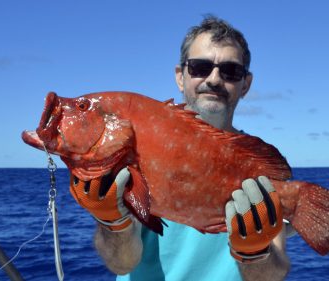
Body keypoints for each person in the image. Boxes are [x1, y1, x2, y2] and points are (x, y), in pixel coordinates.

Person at [70, 16, 293, 281]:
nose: (214, 79)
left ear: (246, 84)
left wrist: (256, 253)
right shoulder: (135, 144)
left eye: (230, 71)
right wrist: (112, 222)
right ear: (180, 76)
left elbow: (271, 276)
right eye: (200, 67)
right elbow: (122, 263)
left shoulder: (257, 164)